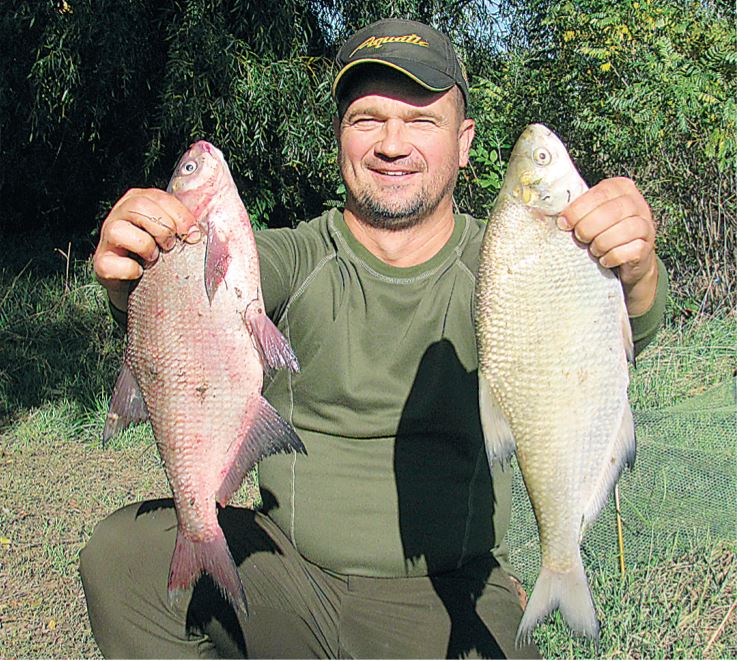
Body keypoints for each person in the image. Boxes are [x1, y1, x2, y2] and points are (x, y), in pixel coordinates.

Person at [81, 18, 667, 659]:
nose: (392, 143)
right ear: (339, 140)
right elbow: (191, 307)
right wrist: (133, 271)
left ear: (465, 141)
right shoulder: (291, 257)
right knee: (122, 556)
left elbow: (617, 334)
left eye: (421, 121)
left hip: (452, 590)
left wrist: (634, 271)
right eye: (367, 120)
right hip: (293, 581)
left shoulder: (511, 264)